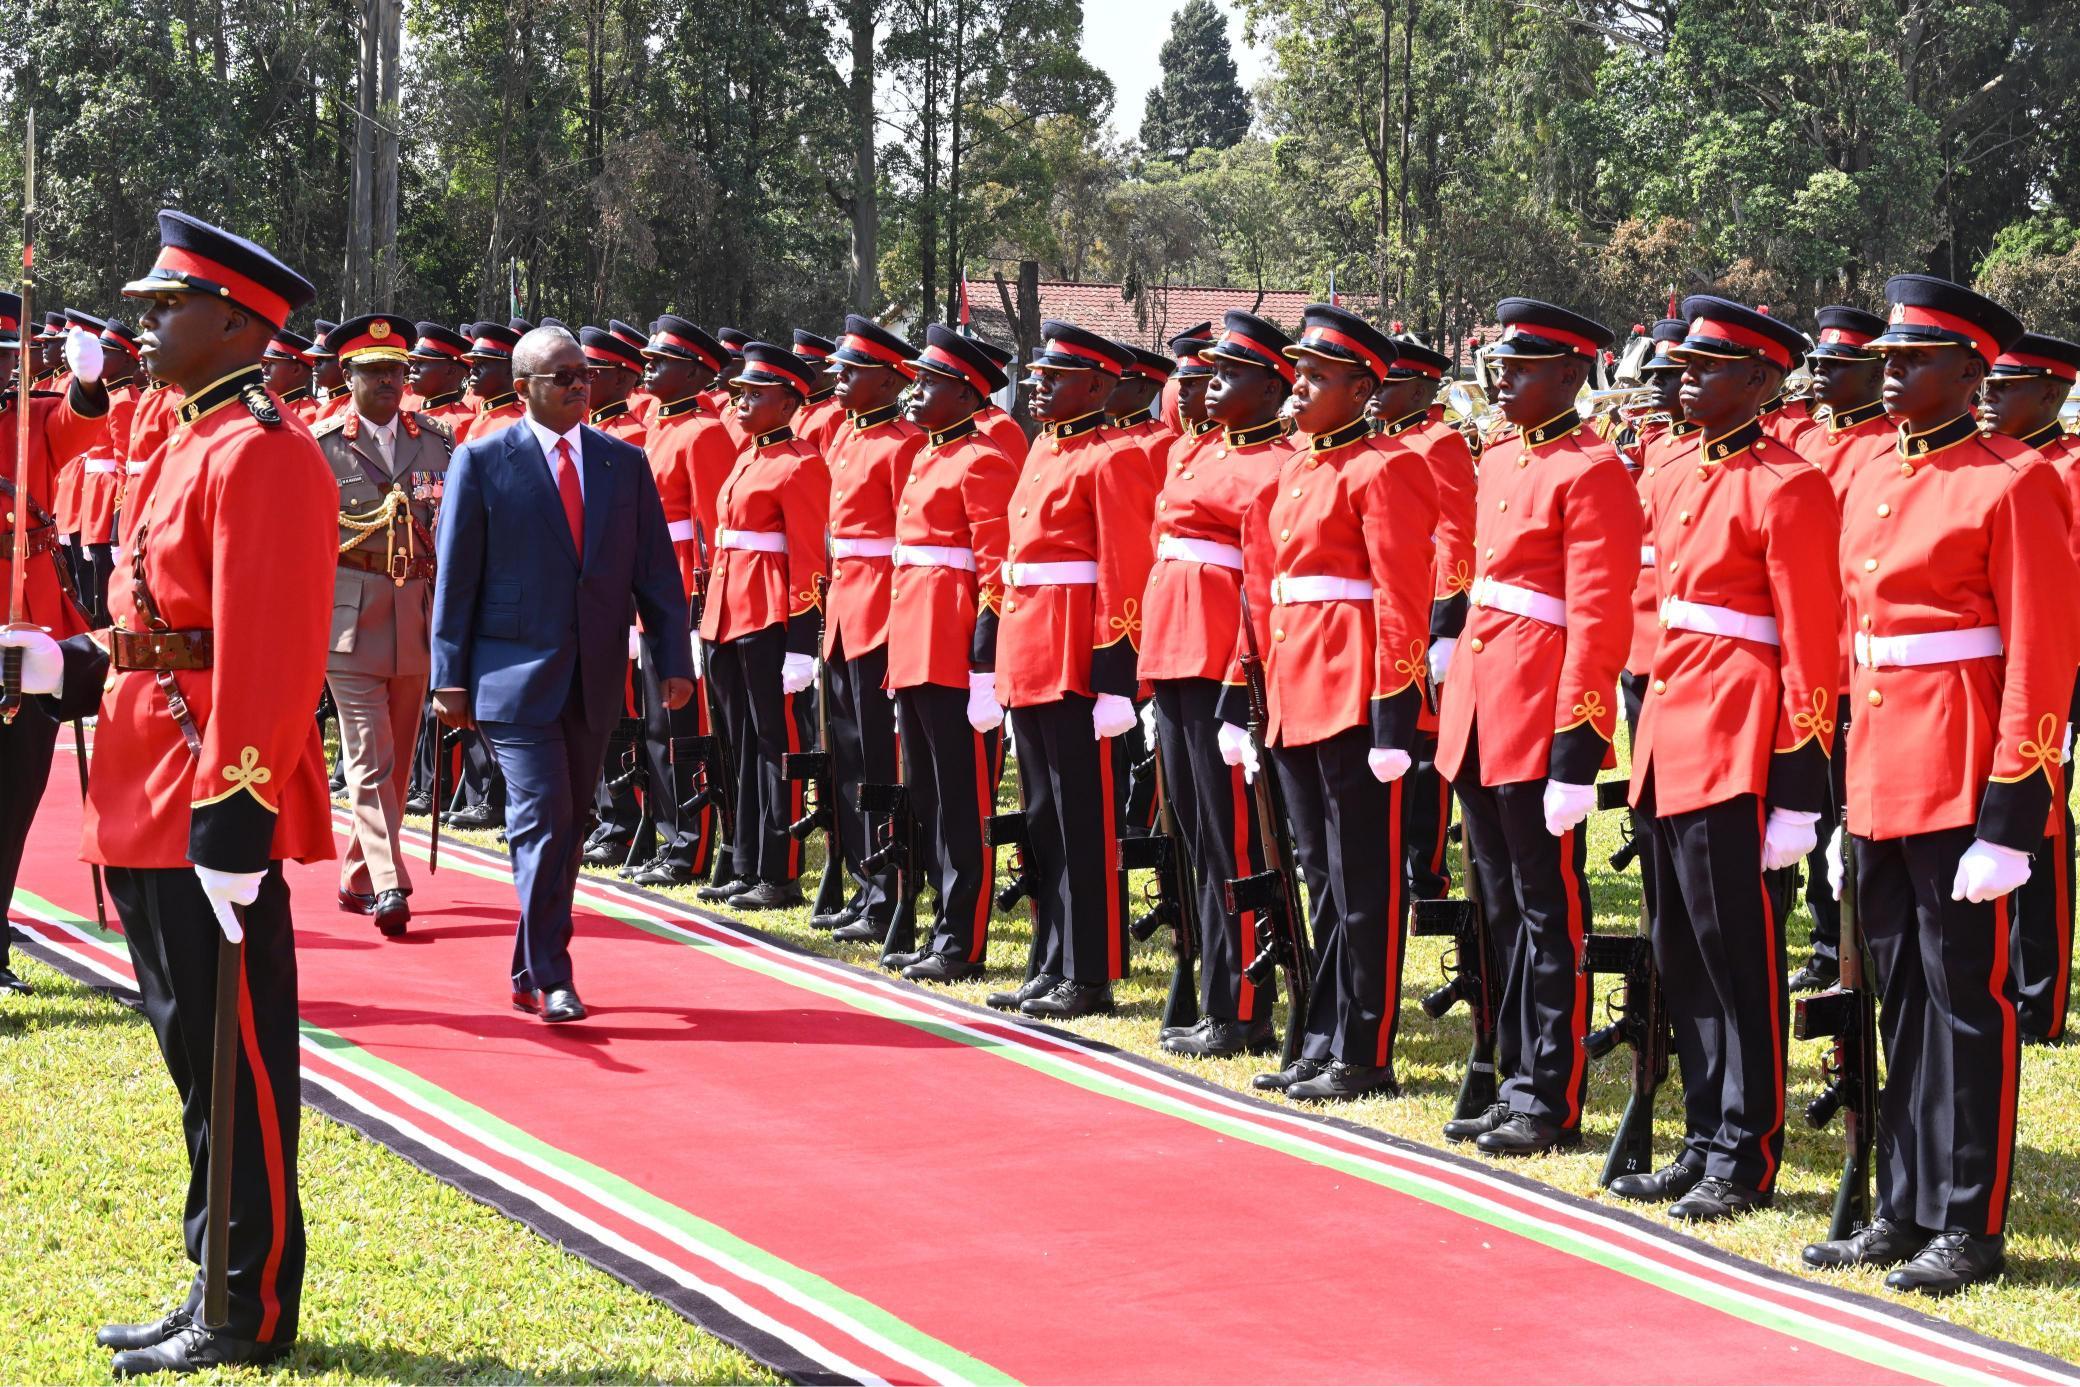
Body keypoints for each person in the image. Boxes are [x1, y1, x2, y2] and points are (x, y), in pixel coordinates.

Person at [3, 210, 333, 1373]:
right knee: (193, 1061)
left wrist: (238, 813)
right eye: (146, 306)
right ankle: (212, 1280)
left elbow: (272, 648)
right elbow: (164, 622)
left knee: (236, 1066)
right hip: (148, 780)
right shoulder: (186, 437)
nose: (143, 326)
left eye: (165, 307)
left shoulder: (264, 450)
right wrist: (70, 660)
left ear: (239, 323)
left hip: (206, 789)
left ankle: (247, 1308)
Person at [1801, 276, 2079, 1294]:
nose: (1889, 372)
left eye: (1911, 359)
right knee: (1900, 1000)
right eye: (1884, 357)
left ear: (1970, 373)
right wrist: (1839, 800)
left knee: (1968, 1000)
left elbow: (2039, 655)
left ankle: (1970, 1218)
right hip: (1880, 772)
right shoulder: (1873, 469)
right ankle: (1903, 1204)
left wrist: (2011, 815)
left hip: (1963, 770)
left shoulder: (2012, 480)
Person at [1615, 297, 1840, 1221]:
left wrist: (1797, 789)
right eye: (1683, 367)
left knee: (1736, 952)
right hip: (1673, 728)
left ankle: (1746, 1150)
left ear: (1760, 381)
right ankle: (1703, 1129)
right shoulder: (1669, 472)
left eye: (1708, 368)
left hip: (1739, 735)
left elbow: (1810, 644)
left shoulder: (1789, 485)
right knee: (1680, 944)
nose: (1683, 380)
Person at [431, 326, 692, 1022]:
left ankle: (527, 963)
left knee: (569, 823)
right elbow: (456, 579)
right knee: (543, 815)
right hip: (510, 676)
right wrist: (446, 675)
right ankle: (553, 974)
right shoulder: (483, 461)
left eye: (585, 374)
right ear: (523, 389)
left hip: (594, 675)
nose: (580, 385)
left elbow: (657, 575)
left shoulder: (622, 463)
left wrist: (674, 659)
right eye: (562, 376)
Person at [1433, 298, 1639, 1155]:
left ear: (1568, 374)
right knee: (1503, 910)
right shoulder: (1503, 455)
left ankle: (1548, 1095)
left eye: (1522, 368)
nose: (1504, 380)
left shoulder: (1592, 471)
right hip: (1483, 705)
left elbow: (1597, 623)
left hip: (1537, 713)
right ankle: (1514, 1072)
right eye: (1502, 366)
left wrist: (1575, 747)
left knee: (1549, 914)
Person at [1225, 305, 1438, 1100]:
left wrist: (1393, 712)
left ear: (1362, 388)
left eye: (1317, 376)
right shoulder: (1294, 470)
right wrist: (1241, 690)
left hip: (1353, 693)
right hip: (1293, 690)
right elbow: (1262, 589)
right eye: (1298, 373)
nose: (1299, 387)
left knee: (1364, 885)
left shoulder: (1388, 468)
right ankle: (1319, 1034)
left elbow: (1400, 599)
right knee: (1319, 877)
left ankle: (1364, 1047)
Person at [989, 320, 1157, 1019]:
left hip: (1074, 658)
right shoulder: (1040, 449)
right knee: (1042, 819)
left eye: (1055, 377)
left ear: (1098, 384)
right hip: (1031, 647)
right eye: (1037, 375)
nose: (1039, 385)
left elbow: (1124, 567)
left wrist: (1116, 677)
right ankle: (1050, 957)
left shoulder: (1112, 457)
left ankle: (1089, 971)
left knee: (1083, 822)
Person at [1141, 310, 1295, 1056]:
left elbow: (1260, 591)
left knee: (1235, 841)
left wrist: (1242, 683)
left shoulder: (1277, 467)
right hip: (1173, 651)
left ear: (1272, 388)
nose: (1206, 387)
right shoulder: (1196, 451)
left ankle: (1240, 1007)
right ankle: (1208, 992)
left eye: (1228, 374)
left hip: (1217, 661)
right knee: (1196, 835)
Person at [879, 325, 1021, 981]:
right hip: (913, 644)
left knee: (966, 804)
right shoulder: (927, 456)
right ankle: (941, 923)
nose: (916, 390)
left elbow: (997, 568)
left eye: (931, 382)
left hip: (955, 652)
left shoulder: (983, 459)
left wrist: (985, 662)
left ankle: (963, 938)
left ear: (967, 392)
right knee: (929, 798)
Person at [313, 313, 454, 938]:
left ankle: (357, 874)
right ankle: (390, 880)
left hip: (416, 615)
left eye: (397, 371)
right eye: (374, 373)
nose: (389, 382)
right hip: (349, 617)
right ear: (349, 378)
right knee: (368, 757)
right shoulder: (323, 447)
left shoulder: (438, 440)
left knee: (395, 761)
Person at [694, 341, 830, 911]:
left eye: (755, 394)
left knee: (774, 744)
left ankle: (781, 869)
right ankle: (743, 861)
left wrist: (802, 642)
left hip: (770, 616)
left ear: (788, 401)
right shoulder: (747, 456)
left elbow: (809, 558)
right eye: (740, 391)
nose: (740, 400)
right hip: (727, 613)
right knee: (737, 745)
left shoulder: (801, 464)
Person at [0, 289, 110, 997]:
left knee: (16, 791)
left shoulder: (33, 418)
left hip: (29, 627)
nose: (6, 367)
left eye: (10, 354)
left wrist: (88, 380)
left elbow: (79, 425)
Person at [1978, 330, 2080, 1044]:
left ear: (2050, 393)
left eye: (2004, 388)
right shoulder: (1991, 468)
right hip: (1996, 666)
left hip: (2060, 665)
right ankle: (2004, 972)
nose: (1987, 399)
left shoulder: (2069, 468)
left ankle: (2038, 995)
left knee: (2041, 820)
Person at [1788, 304, 1891, 993]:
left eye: (1836, 365)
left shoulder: (1887, 446)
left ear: (1872, 370)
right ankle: (1828, 942)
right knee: (1813, 808)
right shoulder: (1806, 441)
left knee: (1855, 818)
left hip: (1856, 664)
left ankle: (1864, 947)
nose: (1819, 374)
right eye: (1818, 363)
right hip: (1809, 660)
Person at [820, 316, 926, 940]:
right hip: (843, 607)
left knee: (883, 760)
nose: (840, 379)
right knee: (851, 755)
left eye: (853, 371)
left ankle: (890, 888)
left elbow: (909, 542)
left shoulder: (902, 444)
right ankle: (865, 884)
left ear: (889, 380)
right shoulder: (847, 439)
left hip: (881, 607)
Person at [621, 315, 733, 888]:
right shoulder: (660, 426)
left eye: (663, 361)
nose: (650, 367)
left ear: (693, 370)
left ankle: (691, 843)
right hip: (650, 587)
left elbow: (717, 526)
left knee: (683, 724)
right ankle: (664, 832)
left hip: (685, 587)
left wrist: (703, 601)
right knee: (656, 725)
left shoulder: (705, 432)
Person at [1365, 339, 1476, 903]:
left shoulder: (1440, 442)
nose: (1378, 390)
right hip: (1393, 608)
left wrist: (1446, 626)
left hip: (1428, 614)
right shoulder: (1383, 443)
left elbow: (1456, 533)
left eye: (1391, 381)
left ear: (1422, 388)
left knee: (1428, 753)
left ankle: (1425, 874)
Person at [407, 322, 477, 443]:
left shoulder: (463, 423)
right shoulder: (411, 412)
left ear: (450, 370)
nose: (413, 368)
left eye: (422, 362)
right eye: (415, 362)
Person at [792, 329, 846, 457]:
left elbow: (830, 468)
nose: (796, 373)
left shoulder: (835, 412)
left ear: (827, 370)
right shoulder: (794, 408)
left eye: (803, 367)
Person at [261, 329, 319, 425]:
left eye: (272, 364)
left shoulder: (308, 416)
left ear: (296, 370)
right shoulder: (266, 405)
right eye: (265, 363)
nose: (264, 369)